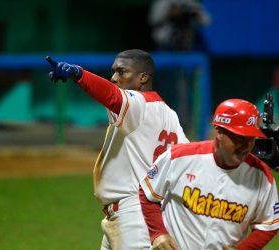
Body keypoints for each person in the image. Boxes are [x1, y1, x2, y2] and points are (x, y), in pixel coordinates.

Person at [46, 49, 189, 249]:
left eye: (122, 72)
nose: (114, 78)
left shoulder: (138, 104)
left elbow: (111, 95)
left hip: (134, 215)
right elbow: (185, 158)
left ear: (143, 77)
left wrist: (78, 74)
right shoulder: (170, 114)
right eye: (113, 71)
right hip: (140, 212)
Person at [139, 98, 279, 250]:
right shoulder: (180, 157)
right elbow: (147, 192)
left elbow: (269, 224)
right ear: (218, 132)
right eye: (239, 138)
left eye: (250, 139)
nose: (245, 146)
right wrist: (158, 233)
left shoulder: (261, 176)